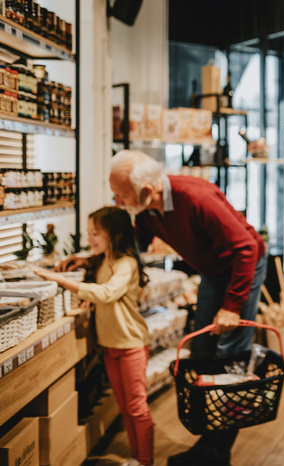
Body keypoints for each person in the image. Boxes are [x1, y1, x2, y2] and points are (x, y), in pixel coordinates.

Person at [58, 150, 268, 466]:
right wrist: (92, 257)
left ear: (145, 191)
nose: (116, 201)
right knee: (201, 353)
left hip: (243, 268)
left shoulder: (196, 197)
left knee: (229, 359)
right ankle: (208, 444)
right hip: (212, 272)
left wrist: (233, 306)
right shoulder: (148, 211)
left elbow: (248, 247)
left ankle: (216, 454)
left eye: (120, 194)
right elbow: (134, 245)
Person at [34, 206, 154, 466]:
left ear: (115, 234)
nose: (90, 239)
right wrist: (81, 260)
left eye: (95, 233)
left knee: (136, 407)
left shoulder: (127, 263)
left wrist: (60, 280)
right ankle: (137, 458)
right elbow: (94, 262)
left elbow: (107, 292)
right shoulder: (103, 259)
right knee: (124, 407)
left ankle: (146, 460)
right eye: (88, 233)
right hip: (111, 345)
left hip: (131, 344)